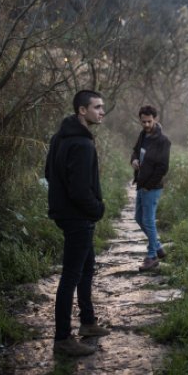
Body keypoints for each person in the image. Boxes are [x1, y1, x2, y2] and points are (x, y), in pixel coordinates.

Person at [45, 90, 111, 357]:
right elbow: (80, 190)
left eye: (102, 107)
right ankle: (62, 338)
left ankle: (88, 322)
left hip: (65, 214)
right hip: (78, 217)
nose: (102, 112)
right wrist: (98, 209)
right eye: (97, 107)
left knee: (87, 267)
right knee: (71, 275)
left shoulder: (58, 137)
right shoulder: (82, 144)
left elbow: (48, 173)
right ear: (82, 110)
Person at [130, 105, 171, 271]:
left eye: (149, 121)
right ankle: (158, 246)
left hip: (152, 187)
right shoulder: (142, 135)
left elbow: (163, 168)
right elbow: (135, 151)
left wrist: (148, 186)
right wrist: (133, 160)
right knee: (139, 218)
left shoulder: (163, 141)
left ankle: (152, 256)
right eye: (143, 122)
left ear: (155, 119)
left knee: (148, 220)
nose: (146, 124)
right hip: (141, 184)